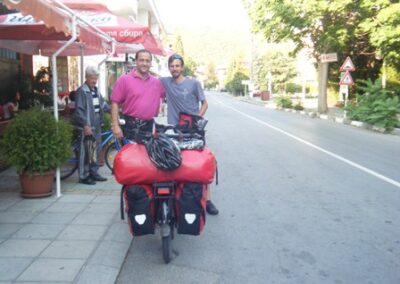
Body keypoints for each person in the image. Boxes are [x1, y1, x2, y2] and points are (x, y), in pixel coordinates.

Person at [160, 54, 219, 215]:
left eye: (177, 66)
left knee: (201, 164)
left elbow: (204, 103)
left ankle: (207, 200)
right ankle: (178, 194)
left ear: (182, 67)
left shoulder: (193, 83)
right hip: (174, 130)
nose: (174, 68)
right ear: (169, 67)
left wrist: (197, 119)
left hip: (193, 131)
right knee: (175, 161)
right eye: (172, 66)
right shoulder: (165, 82)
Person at [110, 49, 164, 141]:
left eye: (147, 61)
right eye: (141, 60)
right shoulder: (124, 80)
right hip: (131, 127)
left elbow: (170, 93)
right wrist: (115, 125)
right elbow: (114, 103)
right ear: (136, 61)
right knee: (131, 155)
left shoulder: (157, 82)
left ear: (151, 63)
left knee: (147, 155)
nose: (144, 63)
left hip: (149, 127)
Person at [74, 66, 109, 185]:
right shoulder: (82, 91)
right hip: (88, 125)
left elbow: (103, 105)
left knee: (95, 149)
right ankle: (84, 176)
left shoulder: (96, 90)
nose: (94, 81)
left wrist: (115, 110)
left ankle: (93, 173)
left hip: (97, 124)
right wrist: (85, 125)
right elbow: (79, 110)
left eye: (96, 78)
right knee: (86, 150)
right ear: (86, 77)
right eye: (91, 78)